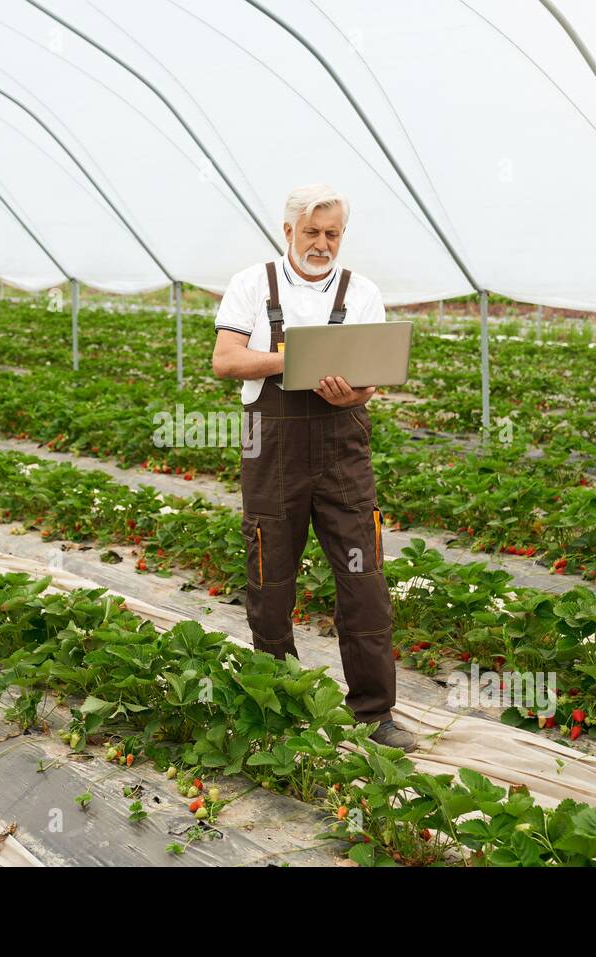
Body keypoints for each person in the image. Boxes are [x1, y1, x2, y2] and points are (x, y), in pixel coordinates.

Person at [210, 183, 417, 752]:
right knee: (270, 574)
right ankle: (282, 700)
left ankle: (375, 712)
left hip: (340, 449)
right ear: (288, 233)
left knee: (364, 578)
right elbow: (226, 359)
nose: (322, 244)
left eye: (332, 233)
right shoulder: (254, 285)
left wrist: (350, 394)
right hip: (270, 448)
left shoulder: (361, 292)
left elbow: (370, 381)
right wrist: (294, 360)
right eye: (312, 232)